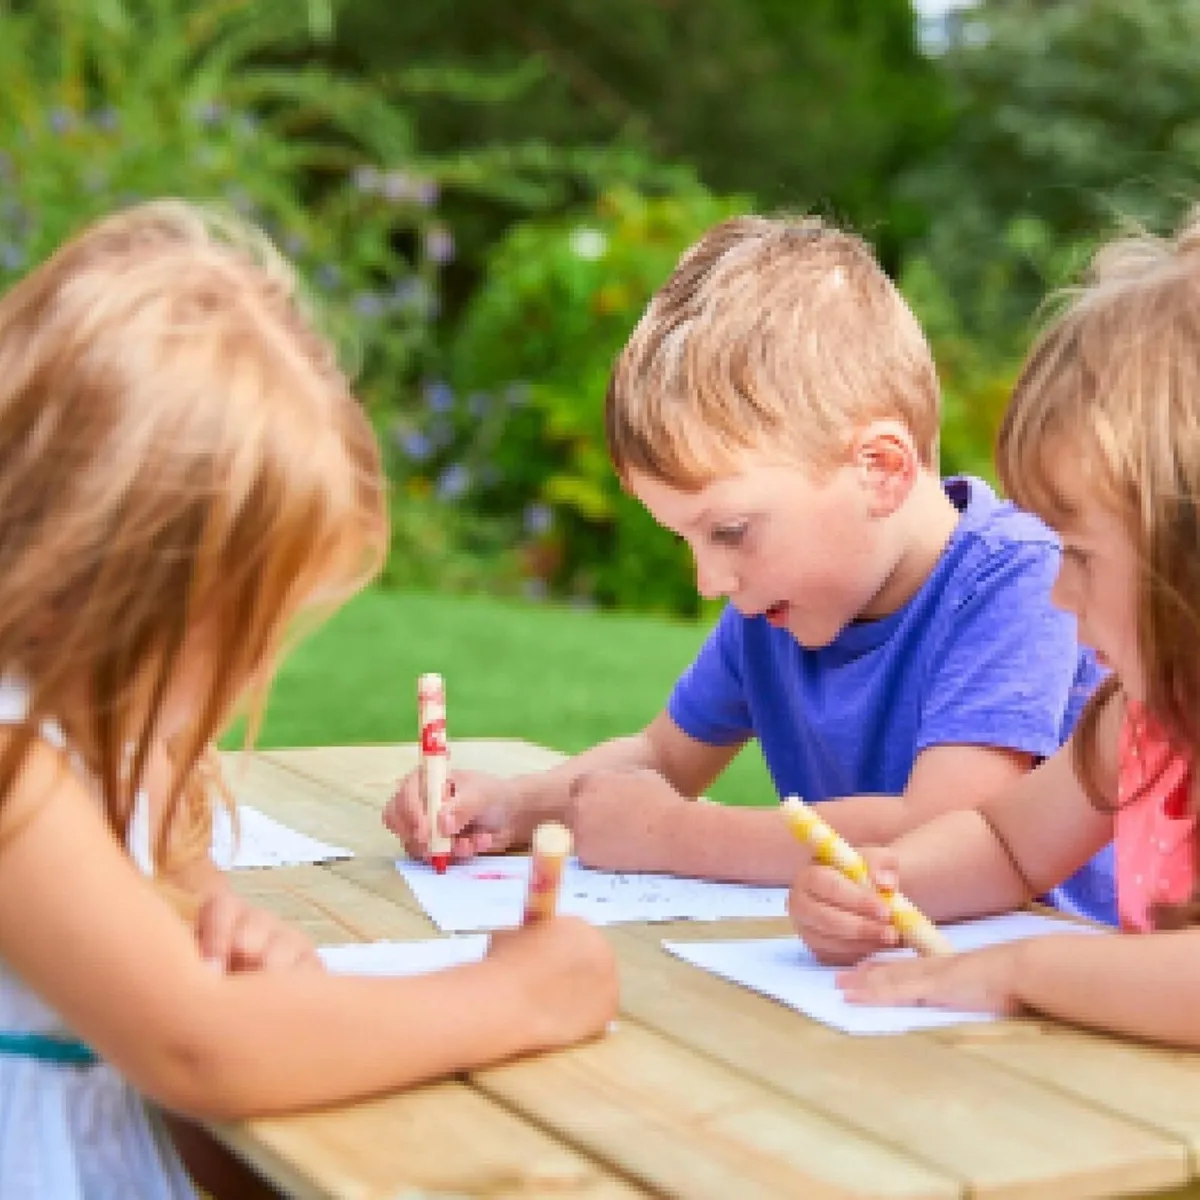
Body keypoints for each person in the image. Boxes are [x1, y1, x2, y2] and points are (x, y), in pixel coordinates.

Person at [0, 200, 616, 1198]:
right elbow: (194, 1046)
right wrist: (517, 996)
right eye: (244, 628)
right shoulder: (16, 767)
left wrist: (244, 957)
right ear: (116, 578)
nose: (257, 671)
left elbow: (184, 1029)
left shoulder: (122, 751)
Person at [384, 215, 1110, 920]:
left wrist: (677, 837)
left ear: (881, 470)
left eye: (730, 531)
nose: (711, 581)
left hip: (1048, 977)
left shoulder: (1019, 579)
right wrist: (514, 807)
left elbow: (946, 828)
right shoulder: (775, 609)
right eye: (688, 541)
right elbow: (662, 757)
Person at [788, 209, 1200, 1047]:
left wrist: (1023, 972)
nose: (1058, 593)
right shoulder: (1138, 723)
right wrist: (884, 885)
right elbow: (1007, 844)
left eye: (1080, 554)